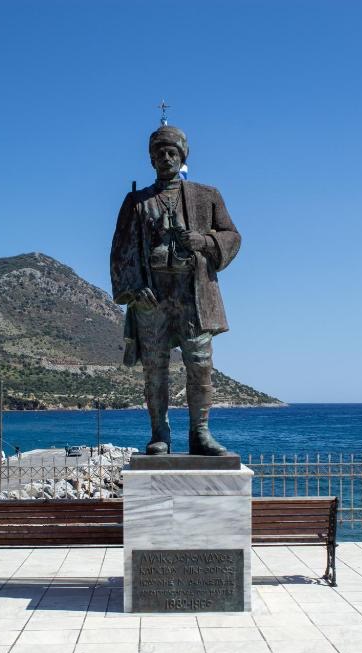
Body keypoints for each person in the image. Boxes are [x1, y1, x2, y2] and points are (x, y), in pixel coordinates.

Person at [110, 124, 241, 455]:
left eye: (172, 153)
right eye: (159, 154)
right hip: (152, 299)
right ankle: (160, 433)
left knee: (200, 364)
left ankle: (200, 433)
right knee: (155, 369)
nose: (166, 158)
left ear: (182, 157)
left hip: (192, 296)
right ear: (151, 160)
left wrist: (204, 241)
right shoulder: (136, 201)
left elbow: (232, 236)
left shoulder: (207, 196)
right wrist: (135, 288)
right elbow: (120, 251)